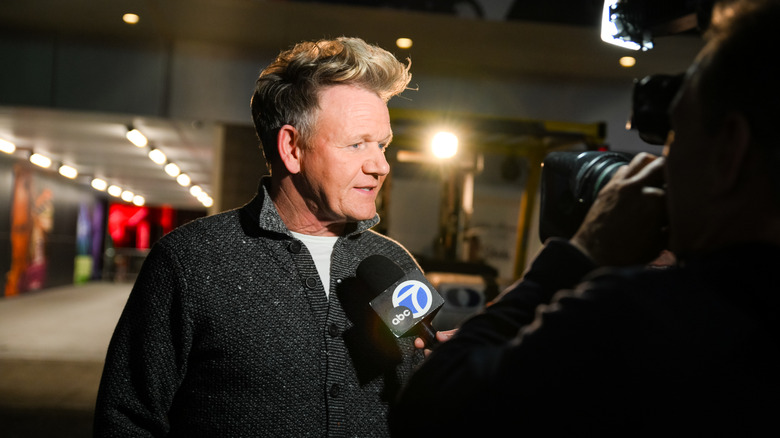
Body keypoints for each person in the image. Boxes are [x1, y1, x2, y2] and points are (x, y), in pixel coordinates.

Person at [390, 0, 780, 436]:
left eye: (674, 140)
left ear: (730, 150)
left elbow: (432, 410)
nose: (663, 165)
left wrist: (580, 255)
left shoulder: (641, 319)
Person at [94, 37, 426, 437]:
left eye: (383, 145)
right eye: (357, 144)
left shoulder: (394, 265)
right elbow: (127, 420)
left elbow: (422, 401)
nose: (380, 166)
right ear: (292, 148)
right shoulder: (190, 263)